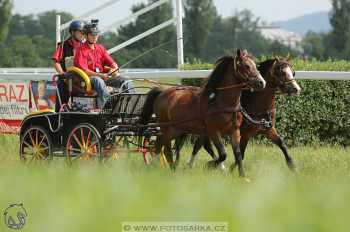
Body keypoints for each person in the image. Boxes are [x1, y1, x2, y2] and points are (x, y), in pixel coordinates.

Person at [74, 20, 134, 108]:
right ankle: (108, 106)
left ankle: (132, 105)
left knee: (126, 80)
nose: (95, 37)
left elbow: (112, 62)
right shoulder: (81, 50)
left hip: (104, 77)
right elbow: (84, 70)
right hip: (89, 79)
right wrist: (101, 75)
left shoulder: (100, 48)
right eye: (92, 35)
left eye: (96, 35)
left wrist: (114, 70)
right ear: (86, 36)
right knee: (98, 80)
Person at [52, 20, 84, 111]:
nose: (82, 34)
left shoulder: (85, 46)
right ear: (73, 32)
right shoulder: (63, 45)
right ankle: (59, 117)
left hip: (81, 80)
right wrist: (62, 73)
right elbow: (56, 61)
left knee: (82, 105)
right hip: (66, 80)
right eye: (80, 32)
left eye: (83, 32)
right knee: (61, 104)